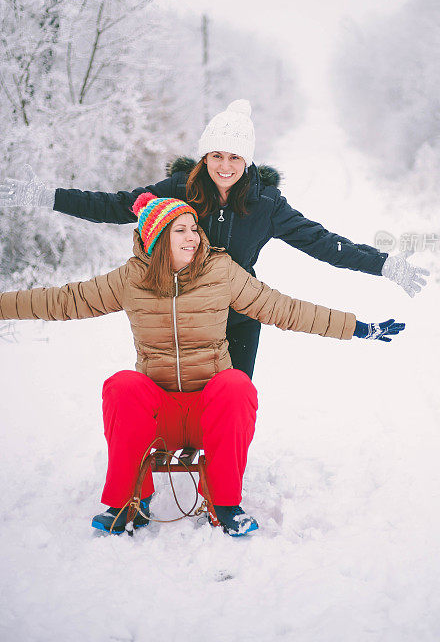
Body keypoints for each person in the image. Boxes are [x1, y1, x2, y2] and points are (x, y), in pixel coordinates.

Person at [0, 192, 404, 537]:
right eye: (182, 230)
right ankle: (128, 503)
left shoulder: (221, 271)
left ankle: (225, 505)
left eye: (195, 228)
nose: (193, 237)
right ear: (156, 237)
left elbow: (283, 308)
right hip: (157, 417)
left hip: (208, 413)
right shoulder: (131, 279)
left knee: (235, 384)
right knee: (121, 384)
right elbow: (61, 300)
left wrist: (359, 327)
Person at [0, 99, 426, 378]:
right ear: (205, 157)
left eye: (235, 157)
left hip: (239, 317)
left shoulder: (267, 205)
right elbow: (113, 205)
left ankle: (222, 486)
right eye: (217, 155)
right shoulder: (177, 190)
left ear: (248, 160)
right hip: (179, 314)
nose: (225, 166)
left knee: (234, 404)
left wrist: (384, 264)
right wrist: (47, 196)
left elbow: (323, 243)